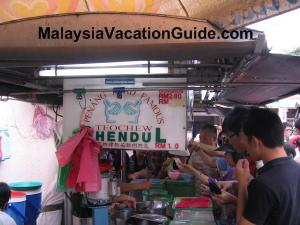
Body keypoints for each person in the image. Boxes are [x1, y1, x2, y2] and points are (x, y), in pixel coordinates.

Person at [236, 107, 300, 225]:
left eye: (244, 141)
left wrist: (242, 184)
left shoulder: (263, 184)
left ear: (255, 142)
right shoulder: (297, 169)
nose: (243, 145)